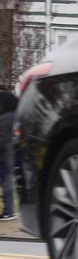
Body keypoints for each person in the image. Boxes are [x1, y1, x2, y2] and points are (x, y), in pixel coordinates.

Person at [0, 89, 17, 221]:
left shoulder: (7, 117)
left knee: (6, 183)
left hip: (4, 155)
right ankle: (8, 210)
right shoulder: (12, 115)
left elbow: (3, 138)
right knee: (6, 182)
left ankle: (9, 211)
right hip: (7, 154)